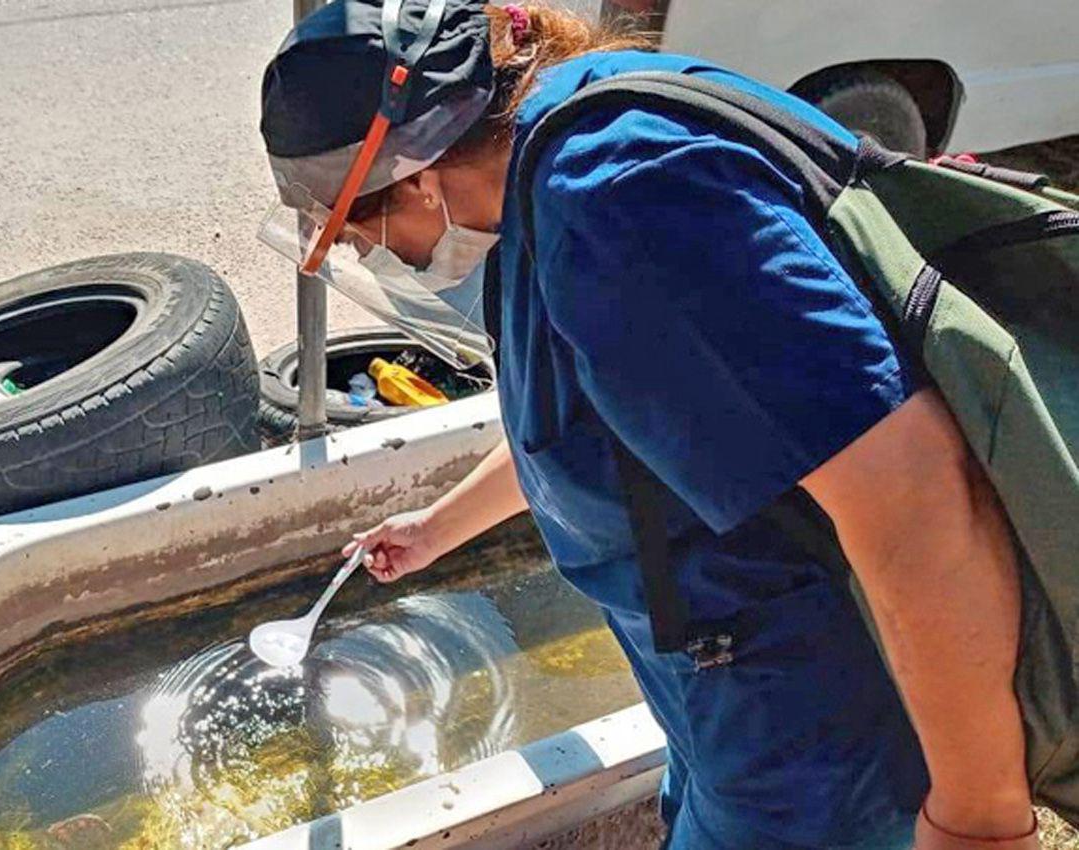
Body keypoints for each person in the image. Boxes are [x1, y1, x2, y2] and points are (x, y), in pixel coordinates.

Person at [256, 1, 1040, 848]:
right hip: (717, 696)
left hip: (811, 725)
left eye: (361, 233)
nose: (373, 256)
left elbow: (913, 491)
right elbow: (601, 416)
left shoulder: (622, 205)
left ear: (417, 179)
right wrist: (438, 529)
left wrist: (980, 817)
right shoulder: (543, 155)